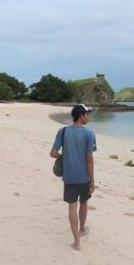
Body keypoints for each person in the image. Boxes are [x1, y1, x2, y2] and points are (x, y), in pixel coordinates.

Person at [50, 104, 97, 250]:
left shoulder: (63, 131)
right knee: (84, 203)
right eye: (87, 114)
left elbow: (52, 153)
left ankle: (77, 242)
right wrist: (92, 179)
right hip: (84, 177)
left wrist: (65, 156)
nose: (89, 117)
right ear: (81, 115)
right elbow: (89, 158)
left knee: (72, 207)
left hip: (69, 177)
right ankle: (82, 229)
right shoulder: (89, 133)